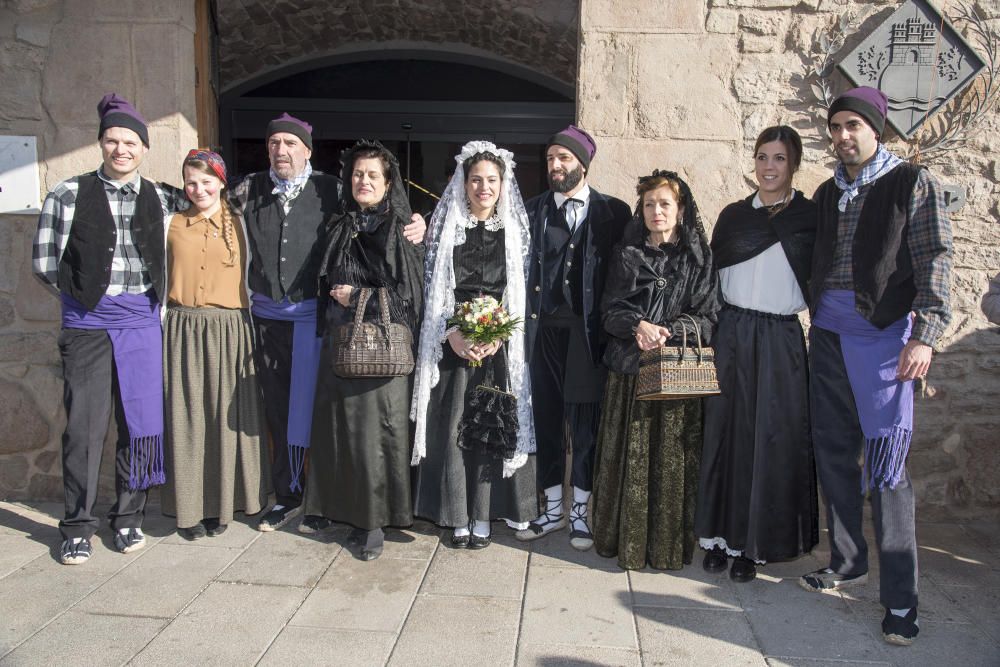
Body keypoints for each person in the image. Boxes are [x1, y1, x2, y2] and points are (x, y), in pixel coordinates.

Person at [800, 87, 952, 647]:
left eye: (853, 126)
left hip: (887, 339)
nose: (842, 136)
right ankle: (847, 560)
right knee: (834, 450)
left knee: (888, 468)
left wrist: (927, 335)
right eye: (835, 127)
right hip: (830, 336)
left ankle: (901, 601)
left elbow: (935, 256)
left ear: (876, 130)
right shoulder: (825, 191)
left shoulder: (911, 182)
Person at [230, 115, 425, 532]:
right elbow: (201, 198)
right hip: (291, 325)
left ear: (307, 150)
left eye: (290, 143)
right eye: (274, 142)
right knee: (298, 417)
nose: (281, 150)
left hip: (341, 333)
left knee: (341, 426)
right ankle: (297, 497)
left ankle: (349, 511)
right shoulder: (249, 191)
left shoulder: (332, 191)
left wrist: (417, 223)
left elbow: (404, 281)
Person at [32, 93, 185, 564]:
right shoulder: (68, 192)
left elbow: (212, 202)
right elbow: (44, 261)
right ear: (101, 144)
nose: (122, 149)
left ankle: (128, 518)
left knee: (140, 427)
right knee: (84, 427)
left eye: (131, 142)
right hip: (88, 326)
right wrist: (87, 299)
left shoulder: (161, 196)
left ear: (144, 149)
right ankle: (77, 526)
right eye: (113, 140)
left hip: (140, 323)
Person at [695, 126, 819, 582]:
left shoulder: (810, 218)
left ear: (794, 163)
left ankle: (754, 545)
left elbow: (820, 281)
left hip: (780, 338)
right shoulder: (733, 216)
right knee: (723, 434)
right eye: (763, 157)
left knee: (769, 439)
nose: (769, 167)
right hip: (730, 333)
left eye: (780, 158)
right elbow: (709, 280)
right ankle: (718, 537)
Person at [410, 141, 537, 549]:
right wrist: (453, 332)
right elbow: (433, 288)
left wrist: (498, 334)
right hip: (454, 345)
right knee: (452, 433)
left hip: (496, 350)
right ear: (463, 184)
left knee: (488, 431)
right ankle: (456, 516)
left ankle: (484, 514)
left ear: (503, 185)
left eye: (491, 180)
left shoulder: (515, 233)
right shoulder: (444, 228)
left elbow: (518, 294)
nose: (484, 187)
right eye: (476, 179)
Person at [590, 170, 719, 570]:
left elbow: (709, 316)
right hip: (629, 374)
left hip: (677, 377)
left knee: (670, 464)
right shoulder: (626, 254)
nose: (656, 211)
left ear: (681, 210)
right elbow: (608, 311)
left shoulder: (698, 257)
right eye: (649, 204)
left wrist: (672, 331)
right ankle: (623, 543)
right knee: (626, 459)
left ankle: (665, 548)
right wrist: (637, 326)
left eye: (665, 204)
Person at [304, 140, 425, 560]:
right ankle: (339, 511)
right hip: (341, 346)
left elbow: (409, 299)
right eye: (358, 174)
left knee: (375, 440)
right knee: (343, 435)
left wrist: (358, 298)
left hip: (380, 352)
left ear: (388, 182)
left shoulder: (398, 227)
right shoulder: (342, 223)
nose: (364, 181)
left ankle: (373, 524)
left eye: (373, 175)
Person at [516, 125, 632, 550]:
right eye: (549, 159)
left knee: (584, 423)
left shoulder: (615, 213)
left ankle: (581, 509)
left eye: (563, 159)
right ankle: (551, 508)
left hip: (588, 334)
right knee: (546, 418)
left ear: (583, 163)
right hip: (542, 331)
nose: (555, 166)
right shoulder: (531, 210)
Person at [160, 149, 270, 540]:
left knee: (228, 419)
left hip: (231, 329)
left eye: (207, 182)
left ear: (222, 183)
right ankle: (189, 510)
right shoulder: (170, 223)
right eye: (191, 182)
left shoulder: (242, 224)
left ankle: (223, 507)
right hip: (184, 328)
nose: (198, 189)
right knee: (188, 418)